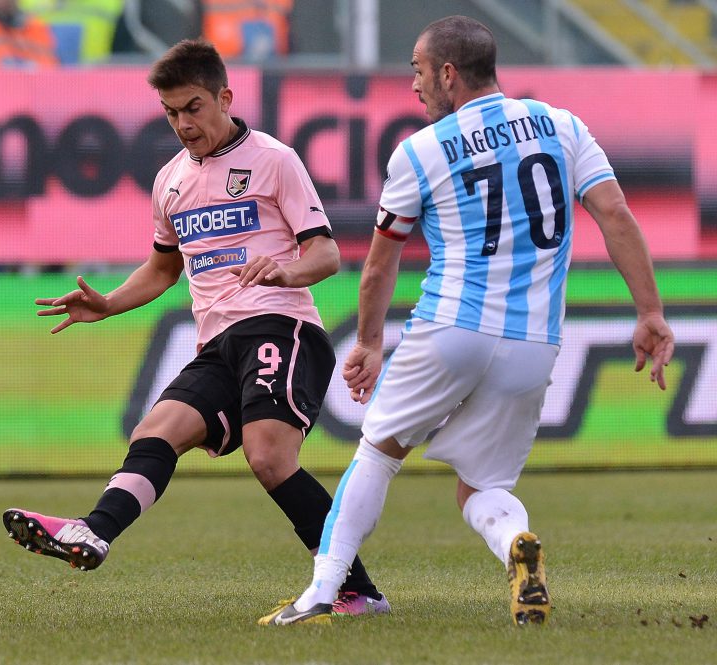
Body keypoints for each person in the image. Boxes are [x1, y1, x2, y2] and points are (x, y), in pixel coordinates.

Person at [259, 15, 675, 627]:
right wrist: (649, 311)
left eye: (419, 71)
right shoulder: (562, 126)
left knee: (377, 452)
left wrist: (370, 344)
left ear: (448, 73)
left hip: (451, 327)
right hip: (534, 343)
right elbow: (614, 214)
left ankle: (322, 593)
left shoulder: (420, 150)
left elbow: (378, 267)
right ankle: (516, 546)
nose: (415, 85)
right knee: (483, 486)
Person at [3, 38, 389, 617]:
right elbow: (163, 268)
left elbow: (327, 255)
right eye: (170, 113)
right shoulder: (170, 181)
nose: (182, 124)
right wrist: (108, 303)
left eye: (192, 108)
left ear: (224, 97)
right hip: (217, 343)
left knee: (269, 457)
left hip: (280, 326)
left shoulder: (274, 159)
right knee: (153, 433)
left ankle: (356, 591)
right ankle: (93, 531)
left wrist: (285, 271)